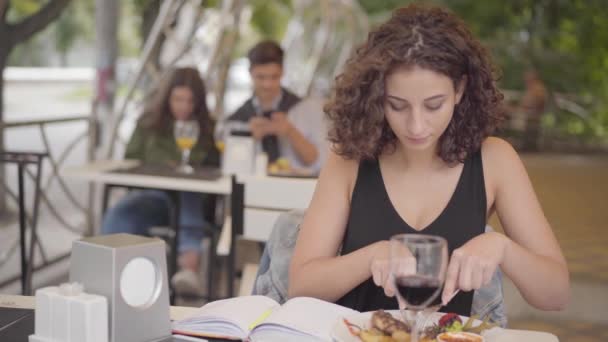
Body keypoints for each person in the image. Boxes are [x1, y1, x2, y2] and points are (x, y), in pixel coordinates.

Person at [289, 4, 569, 317]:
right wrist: (372, 256)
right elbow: (301, 286)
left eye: (433, 105)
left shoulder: (495, 160)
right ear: (378, 95)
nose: (416, 126)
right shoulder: (350, 159)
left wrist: (503, 248)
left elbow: (555, 294)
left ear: (460, 89)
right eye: (397, 105)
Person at [101, 67, 219, 296]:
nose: (184, 106)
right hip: (154, 198)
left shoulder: (207, 129)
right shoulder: (148, 124)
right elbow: (130, 161)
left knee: (188, 191)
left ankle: (190, 265)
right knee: (121, 212)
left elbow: (216, 168)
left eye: (190, 101)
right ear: (167, 98)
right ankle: (106, 273)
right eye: (178, 99)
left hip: (192, 202)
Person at [219, 40, 326, 172]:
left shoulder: (307, 109)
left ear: (282, 72)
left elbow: (319, 163)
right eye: (261, 77)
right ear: (250, 73)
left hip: (296, 189)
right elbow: (231, 169)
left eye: (274, 77)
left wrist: (290, 131)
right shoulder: (236, 120)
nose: (267, 85)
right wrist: (248, 138)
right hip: (252, 190)